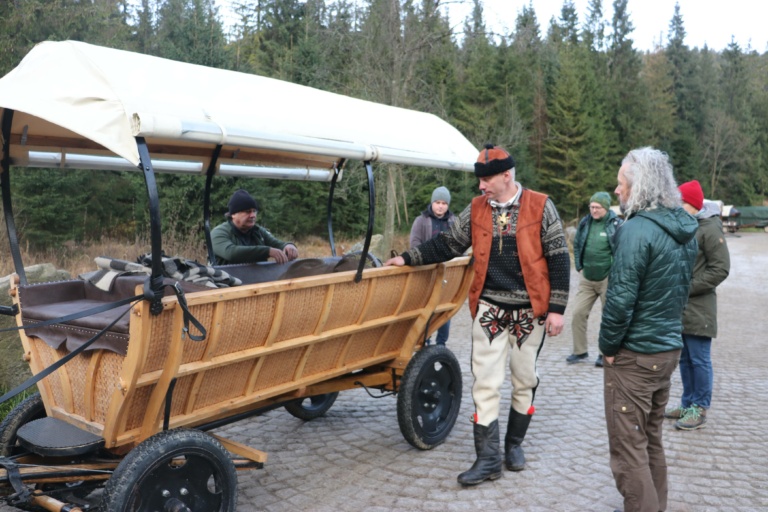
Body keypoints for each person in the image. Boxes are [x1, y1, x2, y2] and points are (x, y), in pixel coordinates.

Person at [385, 144, 570, 486]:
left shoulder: (541, 206)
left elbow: (559, 257)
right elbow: (448, 244)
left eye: (486, 180)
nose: (481, 186)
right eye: (479, 181)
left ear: (506, 176)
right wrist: (408, 258)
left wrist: (557, 309)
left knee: (524, 379)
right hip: (489, 310)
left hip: (529, 312)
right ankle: (487, 460)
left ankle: (513, 445)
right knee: (485, 382)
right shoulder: (475, 209)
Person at [599, 147, 697, 512]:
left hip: (636, 356)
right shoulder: (683, 229)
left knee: (629, 449)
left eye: (621, 182)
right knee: (650, 439)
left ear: (638, 185)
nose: (616, 189)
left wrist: (608, 347)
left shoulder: (636, 230)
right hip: (667, 350)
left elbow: (620, 300)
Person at [664, 181, 730, 431]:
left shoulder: (710, 228)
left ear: (692, 203)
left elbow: (720, 269)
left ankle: (699, 408)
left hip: (700, 307)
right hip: (681, 307)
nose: (676, 206)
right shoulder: (687, 225)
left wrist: (686, 287)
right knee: (684, 359)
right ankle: (687, 403)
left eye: (680, 202)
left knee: (699, 359)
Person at [567, 191, 623, 367]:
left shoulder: (617, 224)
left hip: (607, 278)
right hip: (587, 278)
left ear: (606, 208)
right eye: (591, 207)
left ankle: (603, 354)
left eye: (598, 207)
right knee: (577, 313)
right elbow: (577, 245)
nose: (594, 210)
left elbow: (622, 250)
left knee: (607, 317)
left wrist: (615, 273)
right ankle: (580, 351)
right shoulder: (585, 222)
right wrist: (579, 265)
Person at [410, 185, 456, 345]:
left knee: (444, 309)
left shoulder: (454, 222)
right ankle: (425, 342)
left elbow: (461, 245)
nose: (440, 206)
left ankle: (441, 344)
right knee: (427, 308)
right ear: (432, 203)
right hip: (427, 273)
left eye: (444, 203)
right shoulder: (421, 221)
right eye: (438, 202)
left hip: (448, 273)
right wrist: (429, 257)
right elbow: (414, 244)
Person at [211, 189, 298, 265]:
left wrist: (288, 246)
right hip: (227, 278)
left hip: (257, 277)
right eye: (247, 211)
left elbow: (276, 244)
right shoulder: (219, 233)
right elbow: (231, 253)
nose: (253, 215)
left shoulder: (258, 231)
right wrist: (267, 251)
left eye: (254, 211)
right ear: (233, 214)